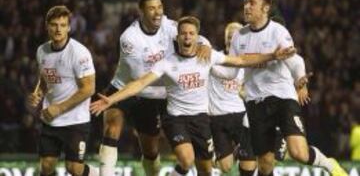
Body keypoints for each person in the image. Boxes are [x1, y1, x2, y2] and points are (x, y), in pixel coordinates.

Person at [90, 16, 295, 175]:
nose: (187, 37)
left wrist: (272, 56)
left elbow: (240, 61)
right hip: (176, 119)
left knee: (207, 170)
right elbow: (140, 83)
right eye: (184, 33)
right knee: (187, 160)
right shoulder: (167, 62)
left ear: (197, 37)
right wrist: (113, 98)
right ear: (177, 37)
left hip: (201, 120)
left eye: (191, 33)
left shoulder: (207, 56)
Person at [230, 0, 348, 176]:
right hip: (255, 103)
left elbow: (295, 61)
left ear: (265, 8)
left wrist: (300, 81)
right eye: (245, 2)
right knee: (265, 163)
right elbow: (231, 70)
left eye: (252, 3)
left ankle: (329, 164)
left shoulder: (278, 31)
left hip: (282, 98)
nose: (246, 7)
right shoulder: (239, 36)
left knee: (298, 152)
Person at [98, 0, 212, 176]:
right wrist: (176, 79)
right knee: (111, 128)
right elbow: (140, 78)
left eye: (160, 7)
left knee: (150, 151)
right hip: (125, 87)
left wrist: (205, 44)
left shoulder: (169, 26)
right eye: (152, 8)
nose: (157, 12)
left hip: (153, 95)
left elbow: (192, 35)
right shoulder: (130, 38)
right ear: (141, 12)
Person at [26, 5, 98, 176]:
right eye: (54, 24)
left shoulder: (79, 53)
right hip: (50, 119)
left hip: (75, 121)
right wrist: (38, 93)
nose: (58, 29)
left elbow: (89, 89)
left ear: (69, 27)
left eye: (63, 25)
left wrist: (59, 108)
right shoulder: (42, 51)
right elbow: (45, 78)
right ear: (47, 26)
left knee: (73, 168)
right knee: (46, 167)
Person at [208, 22, 257, 175]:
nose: (232, 39)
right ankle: (233, 151)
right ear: (225, 39)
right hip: (217, 117)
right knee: (226, 167)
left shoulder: (248, 64)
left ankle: (241, 151)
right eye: (229, 36)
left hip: (240, 117)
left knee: (249, 165)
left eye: (236, 36)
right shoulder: (213, 58)